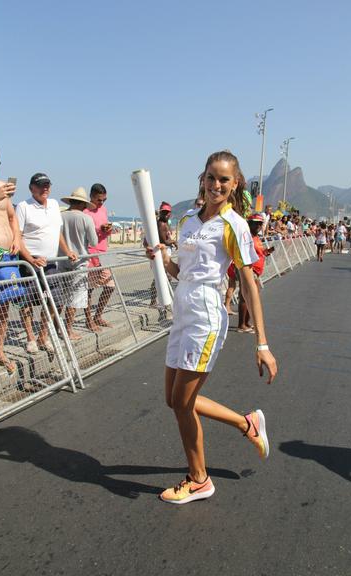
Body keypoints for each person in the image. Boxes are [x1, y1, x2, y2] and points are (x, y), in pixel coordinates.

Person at [146, 150, 277, 505]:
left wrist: (262, 343)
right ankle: (246, 423)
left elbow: (249, 283)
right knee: (173, 400)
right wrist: (162, 257)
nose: (216, 184)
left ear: (234, 184)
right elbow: (180, 272)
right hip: (182, 309)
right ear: (202, 179)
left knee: (182, 403)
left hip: (205, 315)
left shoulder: (233, 224)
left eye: (223, 179)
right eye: (210, 177)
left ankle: (199, 479)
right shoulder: (188, 218)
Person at [16, 173, 78, 353]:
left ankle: (43, 336)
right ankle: (30, 338)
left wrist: (67, 251)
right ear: (31, 188)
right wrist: (31, 259)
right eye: (41, 185)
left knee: (55, 301)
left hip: (51, 263)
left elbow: (56, 233)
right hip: (29, 262)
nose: (45, 189)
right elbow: (18, 237)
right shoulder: (23, 206)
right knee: (26, 302)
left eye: (47, 185)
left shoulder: (53, 205)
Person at [0, 142, 21, 373]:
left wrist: (17, 237)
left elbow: (12, 218)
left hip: (7, 253)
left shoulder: (3, 188)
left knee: (5, 302)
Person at [58, 187, 98, 340]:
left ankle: (55, 327)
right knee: (73, 300)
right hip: (80, 262)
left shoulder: (60, 216)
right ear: (83, 204)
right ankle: (68, 330)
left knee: (60, 297)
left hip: (61, 261)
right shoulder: (86, 218)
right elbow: (93, 242)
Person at [84, 183, 114, 330]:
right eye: (98, 200)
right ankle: (89, 319)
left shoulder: (104, 209)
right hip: (90, 252)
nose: (101, 203)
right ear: (91, 197)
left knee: (110, 285)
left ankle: (98, 315)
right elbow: (84, 234)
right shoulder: (85, 211)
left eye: (103, 200)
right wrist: (98, 229)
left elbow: (104, 230)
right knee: (89, 289)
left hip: (104, 251)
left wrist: (108, 229)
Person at [149, 202, 177, 307]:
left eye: (167, 212)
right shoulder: (160, 223)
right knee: (159, 276)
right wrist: (174, 242)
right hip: (161, 251)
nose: (166, 214)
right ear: (160, 213)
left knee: (167, 276)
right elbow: (164, 240)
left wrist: (172, 241)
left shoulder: (166, 223)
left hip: (166, 251)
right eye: (164, 212)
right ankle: (154, 300)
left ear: (170, 213)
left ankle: (165, 297)